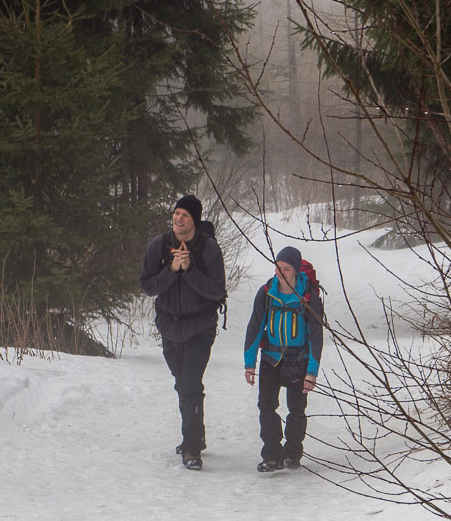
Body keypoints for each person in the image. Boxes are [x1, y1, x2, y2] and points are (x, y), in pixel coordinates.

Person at [139, 195, 226, 470]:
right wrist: (172, 270)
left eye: (184, 215)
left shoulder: (208, 249)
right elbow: (147, 286)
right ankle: (196, 435)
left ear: (194, 220)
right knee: (182, 385)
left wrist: (189, 269)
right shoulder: (159, 246)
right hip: (169, 327)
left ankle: (191, 448)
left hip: (200, 327)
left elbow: (217, 291)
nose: (178, 219)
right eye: (176, 213)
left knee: (189, 385)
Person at [243, 245, 324, 472]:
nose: (280, 272)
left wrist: (311, 372)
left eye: (286, 269)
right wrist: (250, 364)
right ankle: (271, 455)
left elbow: (316, 336)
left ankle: (293, 453)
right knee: (266, 406)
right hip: (271, 358)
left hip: (299, 360)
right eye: (278, 267)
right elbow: (254, 328)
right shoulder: (267, 292)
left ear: (296, 271)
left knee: (296, 409)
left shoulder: (308, 295)